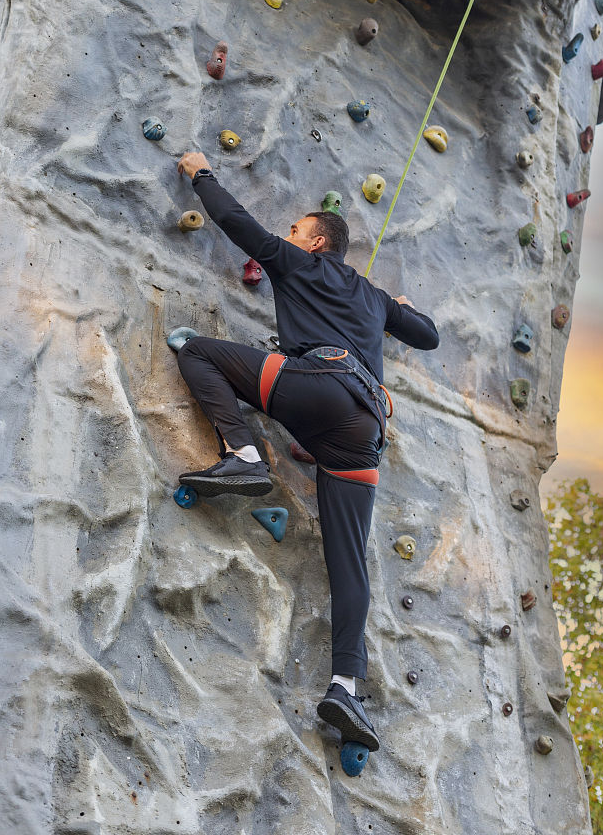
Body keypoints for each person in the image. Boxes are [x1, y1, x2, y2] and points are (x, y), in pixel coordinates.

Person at [174, 151, 439, 753]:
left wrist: (200, 172)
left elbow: (240, 226)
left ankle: (243, 455)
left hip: (320, 387)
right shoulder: (372, 298)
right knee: (350, 564)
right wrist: (390, 307)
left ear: (317, 243)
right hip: (363, 431)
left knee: (200, 354)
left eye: (296, 230)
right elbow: (428, 335)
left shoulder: (301, 263)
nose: (288, 237)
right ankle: (344, 685)